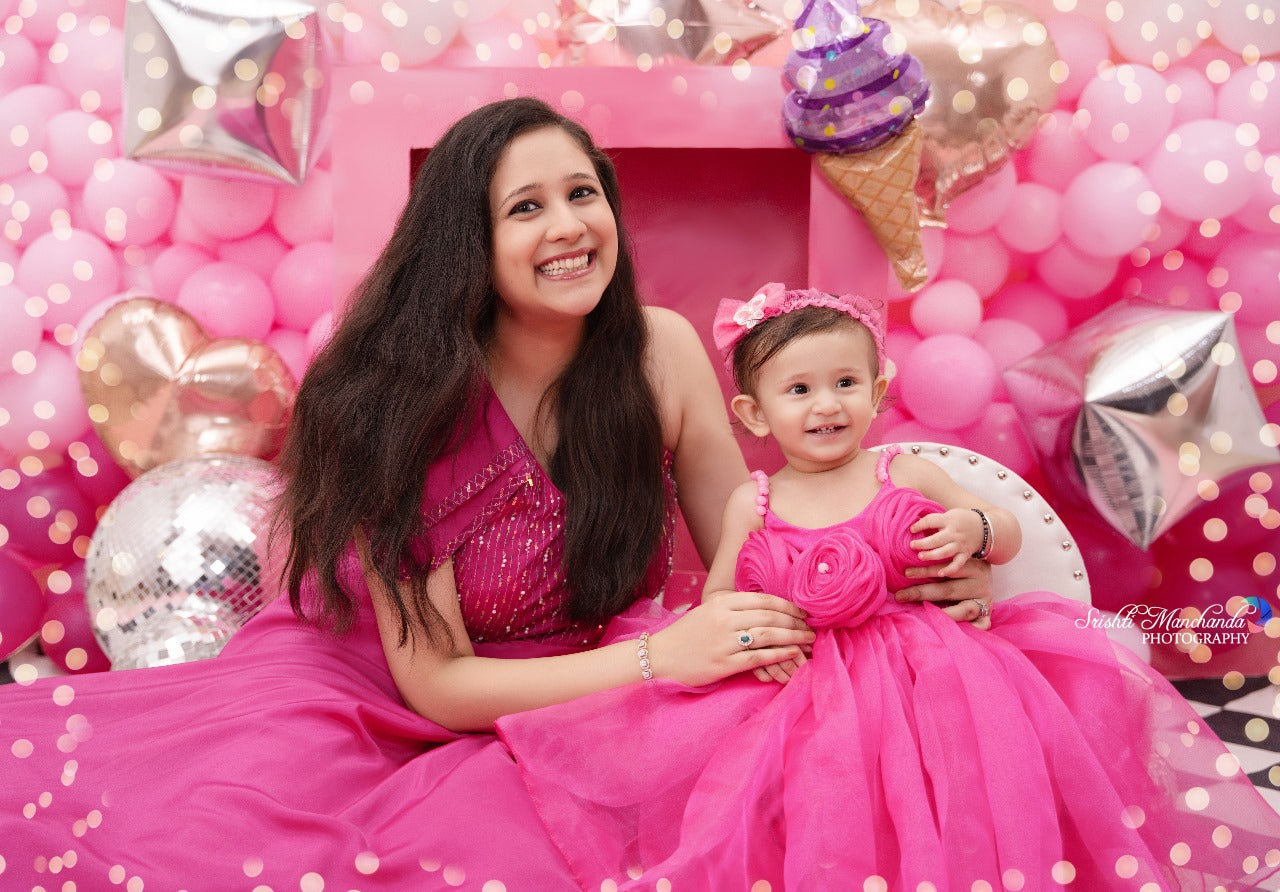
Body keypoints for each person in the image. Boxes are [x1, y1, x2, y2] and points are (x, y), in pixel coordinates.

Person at [0, 100, 992, 889]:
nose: (569, 227)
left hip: (590, 690)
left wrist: (913, 572)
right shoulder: (392, 402)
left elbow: (767, 546)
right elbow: (439, 685)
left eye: (582, 194)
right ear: (464, 239)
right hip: (380, 706)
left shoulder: (659, 352)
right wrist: (663, 656)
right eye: (526, 208)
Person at [496, 283, 1280, 891]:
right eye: (798, 391)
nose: (826, 404)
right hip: (802, 689)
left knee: (954, 790)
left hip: (932, 674)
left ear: (876, 394)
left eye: (845, 383)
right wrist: (748, 637)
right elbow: (722, 601)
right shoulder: (754, 503)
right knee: (815, 801)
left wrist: (974, 530)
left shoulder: (902, 469)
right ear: (753, 414)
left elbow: (1002, 531)